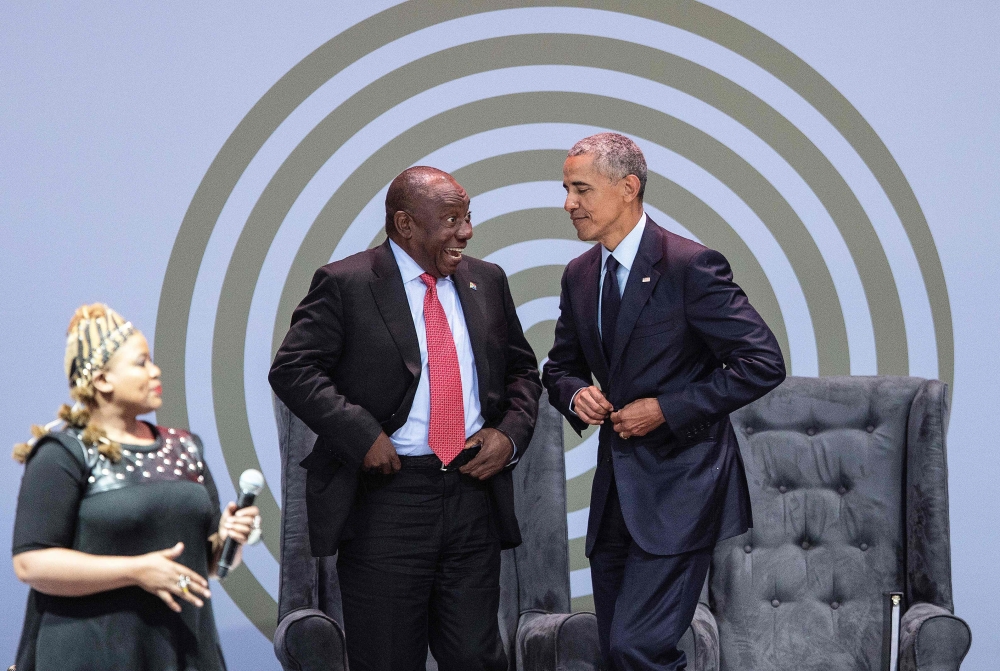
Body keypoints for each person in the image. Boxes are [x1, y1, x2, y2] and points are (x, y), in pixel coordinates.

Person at [269, 166, 542, 671]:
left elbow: (523, 371)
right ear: (406, 224)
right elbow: (293, 368)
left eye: (468, 217)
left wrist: (510, 435)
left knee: (477, 658)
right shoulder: (345, 282)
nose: (467, 231)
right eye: (452, 219)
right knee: (388, 659)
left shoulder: (488, 280)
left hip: (470, 495)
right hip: (385, 502)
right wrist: (361, 432)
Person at [543, 133, 786, 670]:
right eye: (565, 189)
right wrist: (574, 392)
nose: (568, 204)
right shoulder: (580, 275)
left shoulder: (691, 267)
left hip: (682, 490)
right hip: (615, 501)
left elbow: (763, 363)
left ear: (627, 187)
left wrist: (667, 409)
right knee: (618, 653)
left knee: (638, 649)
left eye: (580, 189)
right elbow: (559, 366)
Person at [10, 304, 260, 671]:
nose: (155, 371)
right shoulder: (63, 454)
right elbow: (31, 564)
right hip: (89, 653)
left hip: (183, 649)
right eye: (141, 363)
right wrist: (135, 571)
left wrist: (229, 540)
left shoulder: (186, 447)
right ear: (102, 380)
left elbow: (204, 565)